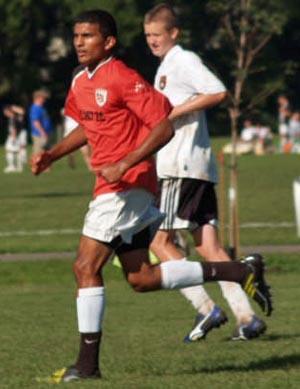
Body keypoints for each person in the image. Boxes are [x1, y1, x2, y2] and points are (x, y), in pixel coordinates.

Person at [31, 9, 272, 383]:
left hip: (125, 186)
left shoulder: (124, 77)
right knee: (141, 277)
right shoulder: (81, 80)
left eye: (88, 36)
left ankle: (87, 366)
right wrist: (52, 155)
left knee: (84, 267)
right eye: (76, 35)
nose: (79, 42)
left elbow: (163, 128)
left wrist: (124, 163)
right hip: (118, 185)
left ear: (108, 42)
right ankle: (237, 270)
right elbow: (88, 127)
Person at [144, 3, 267, 342]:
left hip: (180, 167)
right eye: (148, 36)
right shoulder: (166, 66)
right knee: (209, 247)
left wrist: (175, 111)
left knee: (158, 241)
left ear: (174, 33)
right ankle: (246, 318)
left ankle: (205, 308)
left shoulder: (182, 59)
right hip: (193, 166)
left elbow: (217, 91)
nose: (152, 41)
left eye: (157, 34)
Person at [3, 104, 27, 173]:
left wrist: (13, 138)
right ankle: (19, 167)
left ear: (9, 111)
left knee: (11, 150)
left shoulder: (13, 118)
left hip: (14, 136)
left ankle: (12, 166)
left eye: (5, 111)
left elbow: (14, 128)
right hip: (14, 136)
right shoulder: (13, 118)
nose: (4, 113)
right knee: (16, 150)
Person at [29, 89, 53, 154]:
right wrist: (42, 132)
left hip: (45, 134)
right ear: (38, 98)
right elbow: (36, 122)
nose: (45, 100)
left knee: (46, 155)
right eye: (43, 98)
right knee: (38, 156)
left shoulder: (41, 108)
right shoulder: (35, 108)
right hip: (39, 135)